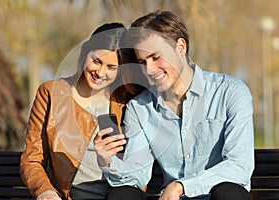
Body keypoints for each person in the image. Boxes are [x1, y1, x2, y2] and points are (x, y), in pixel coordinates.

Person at [94, 11, 254, 200]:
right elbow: (136, 174)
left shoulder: (230, 92)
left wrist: (181, 186)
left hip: (215, 197)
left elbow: (239, 166)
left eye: (156, 57)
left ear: (180, 47)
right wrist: (107, 161)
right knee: (121, 195)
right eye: (142, 62)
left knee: (230, 193)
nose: (149, 70)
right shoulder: (140, 107)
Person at [20, 22, 147, 200]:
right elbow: (32, 159)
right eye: (97, 61)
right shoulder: (50, 93)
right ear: (84, 53)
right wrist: (46, 192)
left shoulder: (127, 102)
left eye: (111, 67)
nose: (101, 72)